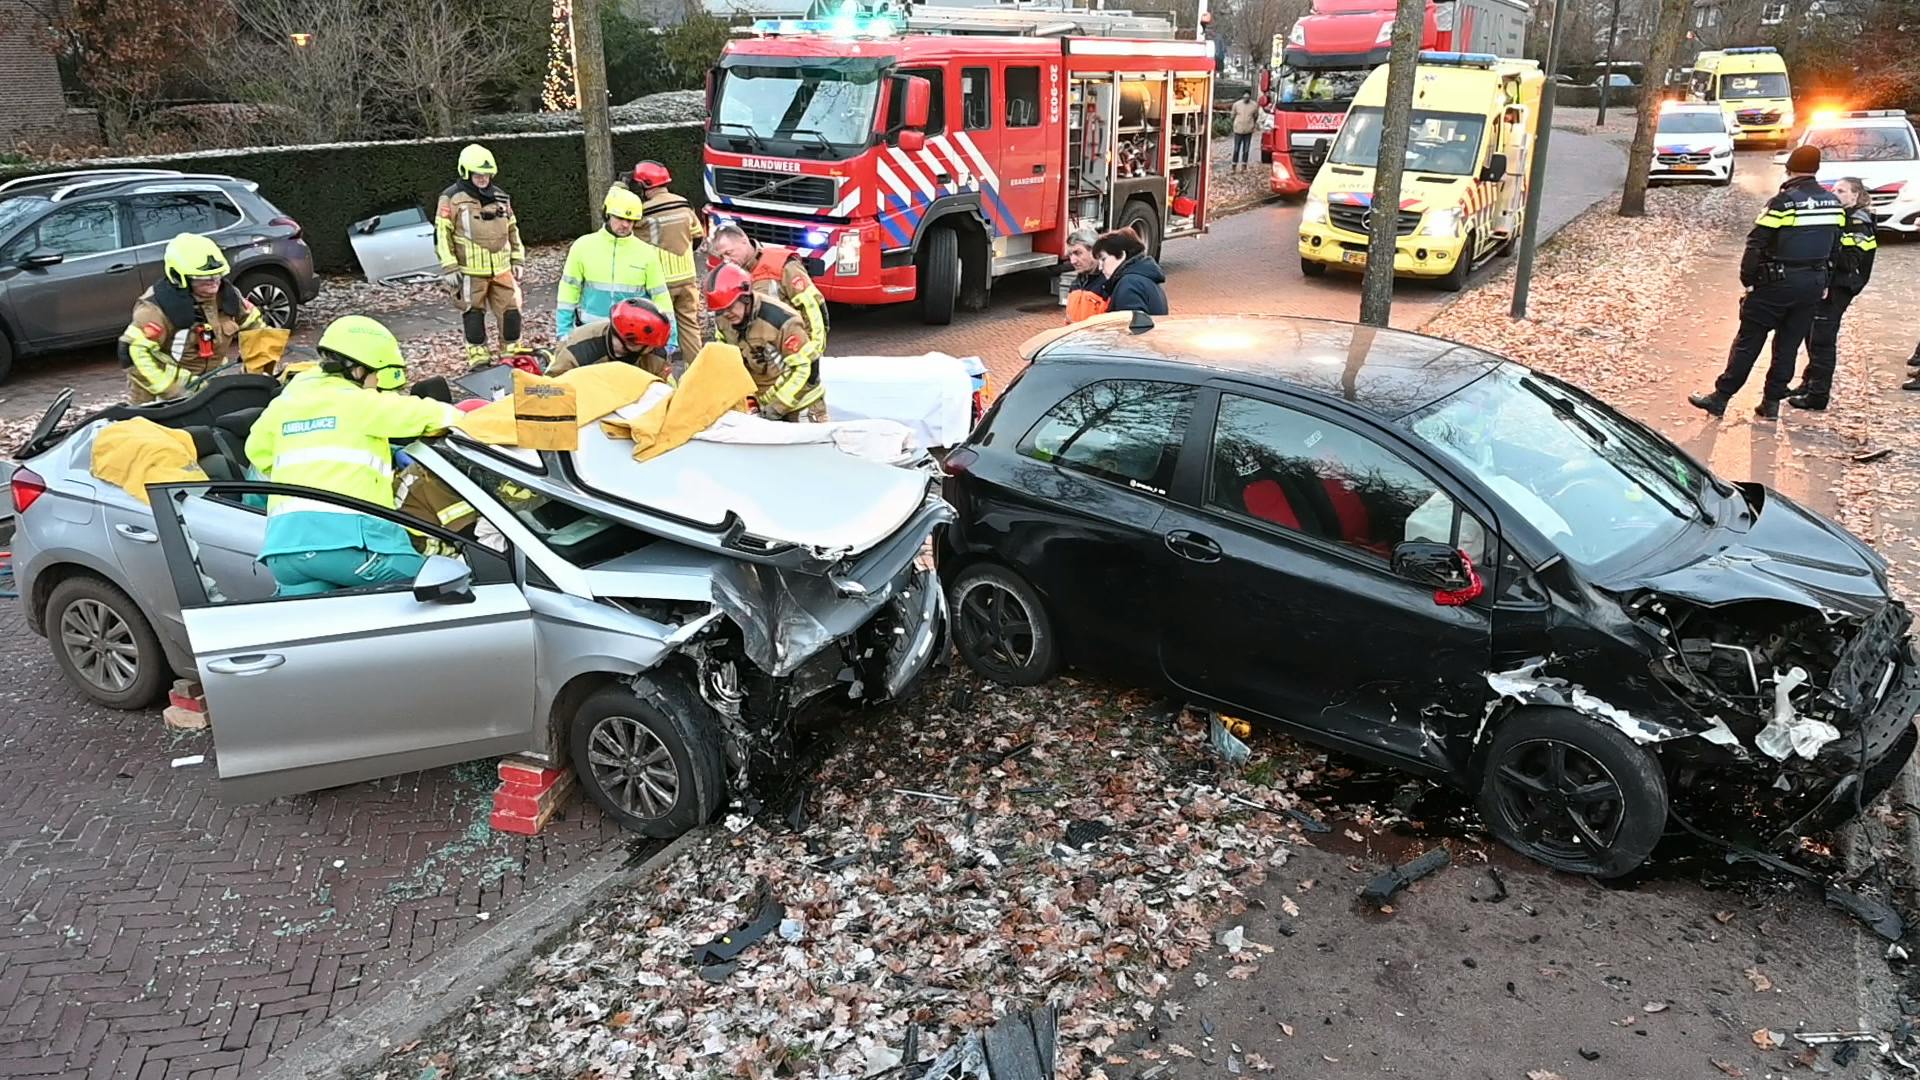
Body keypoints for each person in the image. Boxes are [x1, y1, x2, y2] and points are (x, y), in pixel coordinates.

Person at [245, 316, 464, 598]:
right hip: (349, 546)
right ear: (359, 370)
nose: (382, 388)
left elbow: (258, 452)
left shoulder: (287, 402)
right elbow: (427, 415)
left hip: (283, 552)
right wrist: (476, 419)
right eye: (380, 377)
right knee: (443, 587)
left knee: (319, 632)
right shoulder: (359, 402)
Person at [1688, 145, 1843, 420]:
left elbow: (1757, 242)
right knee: (1789, 345)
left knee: (1749, 341)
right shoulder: (1833, 203)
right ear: (1817, 169)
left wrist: (1748, 280)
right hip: (1812, 283)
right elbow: (1835, 247)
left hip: (1776, 283)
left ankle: (1721, 397)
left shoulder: (1783, 202)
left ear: (1790, 168)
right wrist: (1825, 281)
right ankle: (1771, 403)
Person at [118, 233, 266, 404]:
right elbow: (132, 352)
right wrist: (171, 391)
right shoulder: (155, 309)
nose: (214, 282)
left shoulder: (228, 297)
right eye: (204, 278)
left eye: (217, 275)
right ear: (180, 277)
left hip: (209, 387)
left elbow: (257, 329)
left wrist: (256, 375)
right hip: (158, 396)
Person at [1788, 177, 1877, 411]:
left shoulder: (1857, 222)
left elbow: (1849, 260)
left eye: (1841, 190)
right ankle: (1809, 383)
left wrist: (1825, 252)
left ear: (1855, 196)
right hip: (1830, 283)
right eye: (1834, 189)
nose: (1835, 194)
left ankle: (1818, 395)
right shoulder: (1844, 217)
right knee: (1811, 333)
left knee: (1822, 340)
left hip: (1840, 287)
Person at [437, 143, 527, 368]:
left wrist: (518, 259)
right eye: (478, 174)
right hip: (469, 272)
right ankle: (478, 356)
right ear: (466, 172)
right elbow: (441, 233)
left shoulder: (501, 197)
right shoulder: (451, 199)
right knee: (473, 314)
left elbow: (513, 229)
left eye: (487, 174)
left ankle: (511, 353)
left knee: (511, 312)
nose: (483, 178)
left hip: (502, 269)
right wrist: (449, 267)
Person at [555, 187, 674, 353]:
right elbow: (568, 291)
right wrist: (563, 331)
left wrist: (670, 337)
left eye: (631, 220)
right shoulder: (583, 246)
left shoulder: (647, 253)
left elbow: (661, 297)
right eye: (620, 218)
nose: (625, 224)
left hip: (632, 339)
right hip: (591, 333)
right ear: (607, 214)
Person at [705, 263, 825, 421]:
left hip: (801, 404)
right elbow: (728, 360)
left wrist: (777, 407)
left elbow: (808, 369)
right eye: (720, 310)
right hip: (763, 401)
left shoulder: (782, 320)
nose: (726, 314)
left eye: (730, 307)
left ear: (745, 297)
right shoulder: (723, 320)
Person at [706, 224, 829, 366]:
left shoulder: (781, 265)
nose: (726, 260)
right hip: (758, 360)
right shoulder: (728, 276)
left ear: (743, 240)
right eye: (721, 256)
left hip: (789, 348)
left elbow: (812, 307)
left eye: (729, 253)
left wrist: (814, 351)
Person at [629, 161, 706, 357]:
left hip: (660, 282)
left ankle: (661, 375)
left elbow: (624, 237)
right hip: (687, 278)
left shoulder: (643, 212)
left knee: (654, 330)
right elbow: (698, 236)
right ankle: (697, 371)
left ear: (644, 185)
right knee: (690, 327)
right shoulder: (684, 204)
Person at [546, 298, 675, 379]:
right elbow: (552, 389)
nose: (651, 350)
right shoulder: (579, 350)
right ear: (629, 341)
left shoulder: (656, 355)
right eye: (648, 346)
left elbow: (663, 391)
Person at [1094, 228, 1169, 317]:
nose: (1100, 267)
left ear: (1122, 255)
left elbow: (1132, 326)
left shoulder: (1129, 284)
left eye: (1103, 259)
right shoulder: (1143, 279)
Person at [1063, 228, 1109, 323]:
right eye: (1070, 255)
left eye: (1077, 253)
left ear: (1094, 251)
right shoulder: (1075, 285)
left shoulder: (1109, 286)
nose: (1073, 261)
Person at [1230, 92, 1260, 169]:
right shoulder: (1236, 104)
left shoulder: (1254, 105)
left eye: (1247, 98)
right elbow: (1232, 116)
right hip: (1238, 129)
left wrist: (1252, 124)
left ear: (1250, 98)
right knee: (1236, 148)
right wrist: (1235, 124)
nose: (1246, 99)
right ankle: (1234, 163)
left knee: (1246, 149)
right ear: (1242, 97)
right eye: (1244, 97)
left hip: (1248, 130)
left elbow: (1256, 116)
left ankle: (1244, 164)